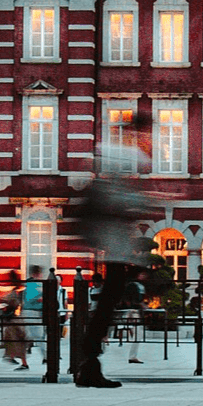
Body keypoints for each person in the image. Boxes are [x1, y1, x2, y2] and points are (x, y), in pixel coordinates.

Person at [73, 110, 154, 388]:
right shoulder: (124, 155)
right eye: (146, 132)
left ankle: (88, 361)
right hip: (113, 238)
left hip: (113, 238)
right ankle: (87, 359)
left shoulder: (116, 153)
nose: (148, 138)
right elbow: (115, 197)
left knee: (110, 298)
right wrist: (142, 203)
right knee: (109, 299)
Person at [0, 271, 30, 370]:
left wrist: (6, 304)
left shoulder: (17, 291)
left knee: (17, 340)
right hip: (14, 319)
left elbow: (14, 304)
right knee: (9, 338)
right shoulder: (16, 290)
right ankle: (10, 357)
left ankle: (24, 363)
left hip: (15, 319)